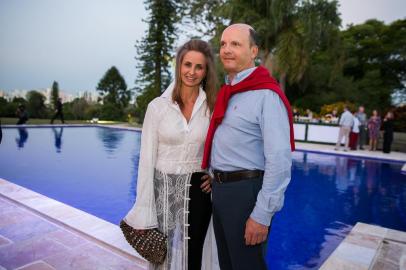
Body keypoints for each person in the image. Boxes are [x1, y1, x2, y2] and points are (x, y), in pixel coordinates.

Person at [201, 24, 295, 270]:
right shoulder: (229, 92)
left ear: (253, 51)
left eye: (235, 44)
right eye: (223, 44)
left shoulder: (266, 95)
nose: (226, 50)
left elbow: (280, 159)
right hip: (222, 193)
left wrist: (262, 215)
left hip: (246, 195)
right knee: (228, 266)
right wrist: (214, 173)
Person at [123, 40, 219, 270]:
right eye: (187, 65)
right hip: (161, 190)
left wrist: (214, 173)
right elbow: (146, 162)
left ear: (206, 71)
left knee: (193, 256)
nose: (192, 72)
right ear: (179, 65)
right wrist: (142, 213)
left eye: (199, 67)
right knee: (161, 257)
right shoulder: (157, 107)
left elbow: (220, 148)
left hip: (198, 190)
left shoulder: (212, 107)